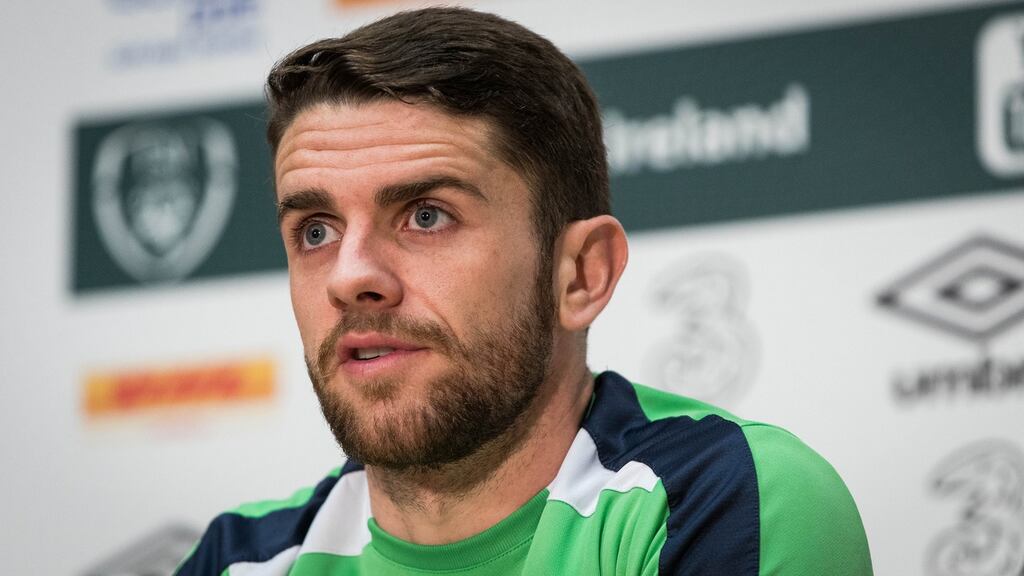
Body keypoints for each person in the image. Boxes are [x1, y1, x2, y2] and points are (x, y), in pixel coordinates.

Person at [176, 7, 872, 575]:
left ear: (581, 274)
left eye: (427, 216)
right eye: (316, 231)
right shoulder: (240, 560)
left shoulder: (716, 503)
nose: (350, 276)